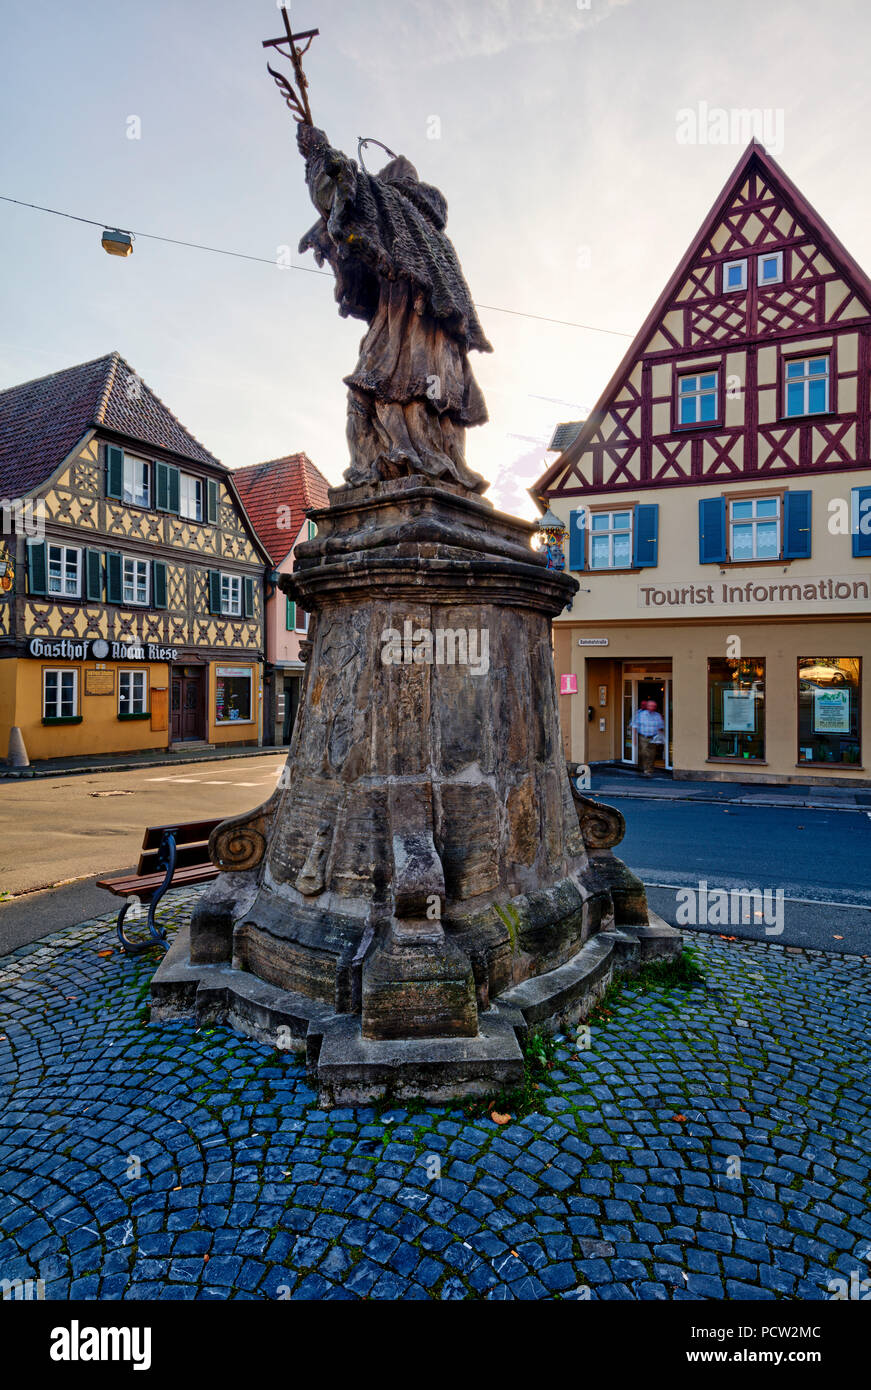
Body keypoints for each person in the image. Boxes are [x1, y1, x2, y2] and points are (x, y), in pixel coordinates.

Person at [630, 699, 664, 778]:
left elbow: (660, 727)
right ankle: (645, 768)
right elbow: (634, 726)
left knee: (652, 755)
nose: (652, 707)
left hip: (653, 737)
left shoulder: (657, 715)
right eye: (651, 706)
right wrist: (634, 738)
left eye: (654, 706)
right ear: (647, 706)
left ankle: (649, 770)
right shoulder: (640, 715)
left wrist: (660, 738)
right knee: (645, 753)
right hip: (643, 737)